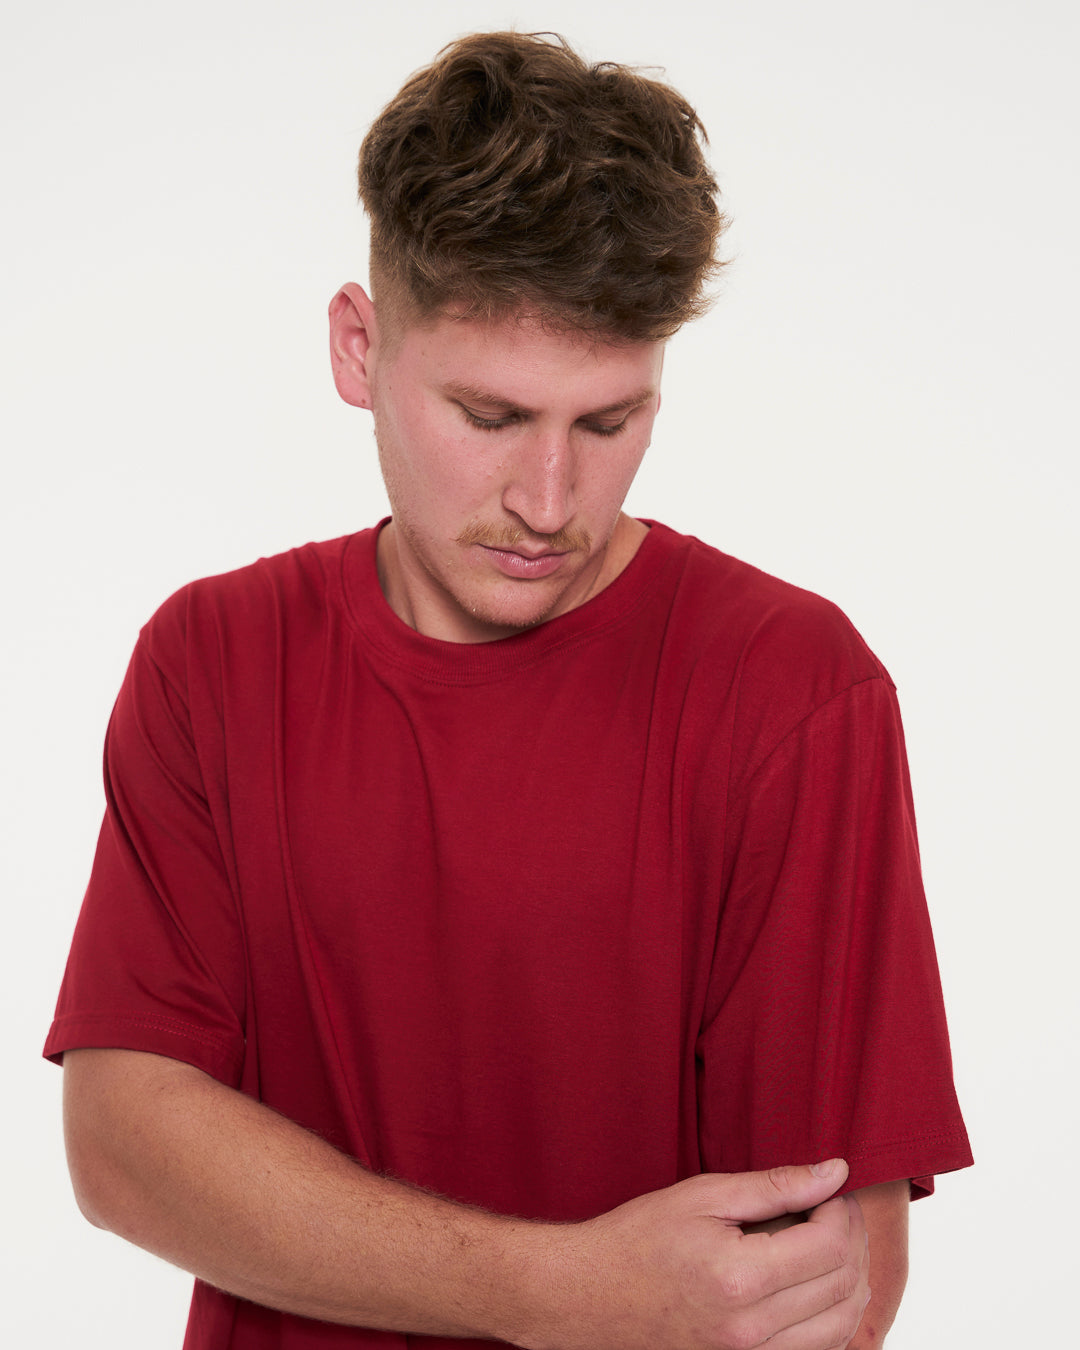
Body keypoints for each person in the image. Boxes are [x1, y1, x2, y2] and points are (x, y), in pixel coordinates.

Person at [45, 31, 971, 1350]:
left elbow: (830, 1287)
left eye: (608, 422)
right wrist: (564, 1291)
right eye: (489, 418)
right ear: (358, 348)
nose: (548, 502)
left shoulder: (792, 691)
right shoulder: (211, 660)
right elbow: (122, 1142)